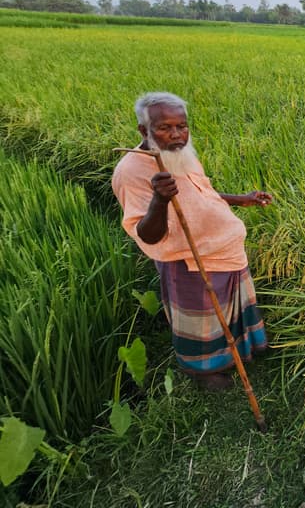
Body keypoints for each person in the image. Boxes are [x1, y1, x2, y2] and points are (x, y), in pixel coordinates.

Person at [112, 92, 273, 390]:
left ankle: (236, 353)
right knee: (200, 324)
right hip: (189, 261)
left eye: (182, 126)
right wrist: (159, 199)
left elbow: (203, 194)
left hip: (224, 250)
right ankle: (204, 372)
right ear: (143, 131)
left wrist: (242, 200)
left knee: (229, 312)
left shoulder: (180, 155)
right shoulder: (131, 172)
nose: (176, 135)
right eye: (164, 128)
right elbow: (145, 234)